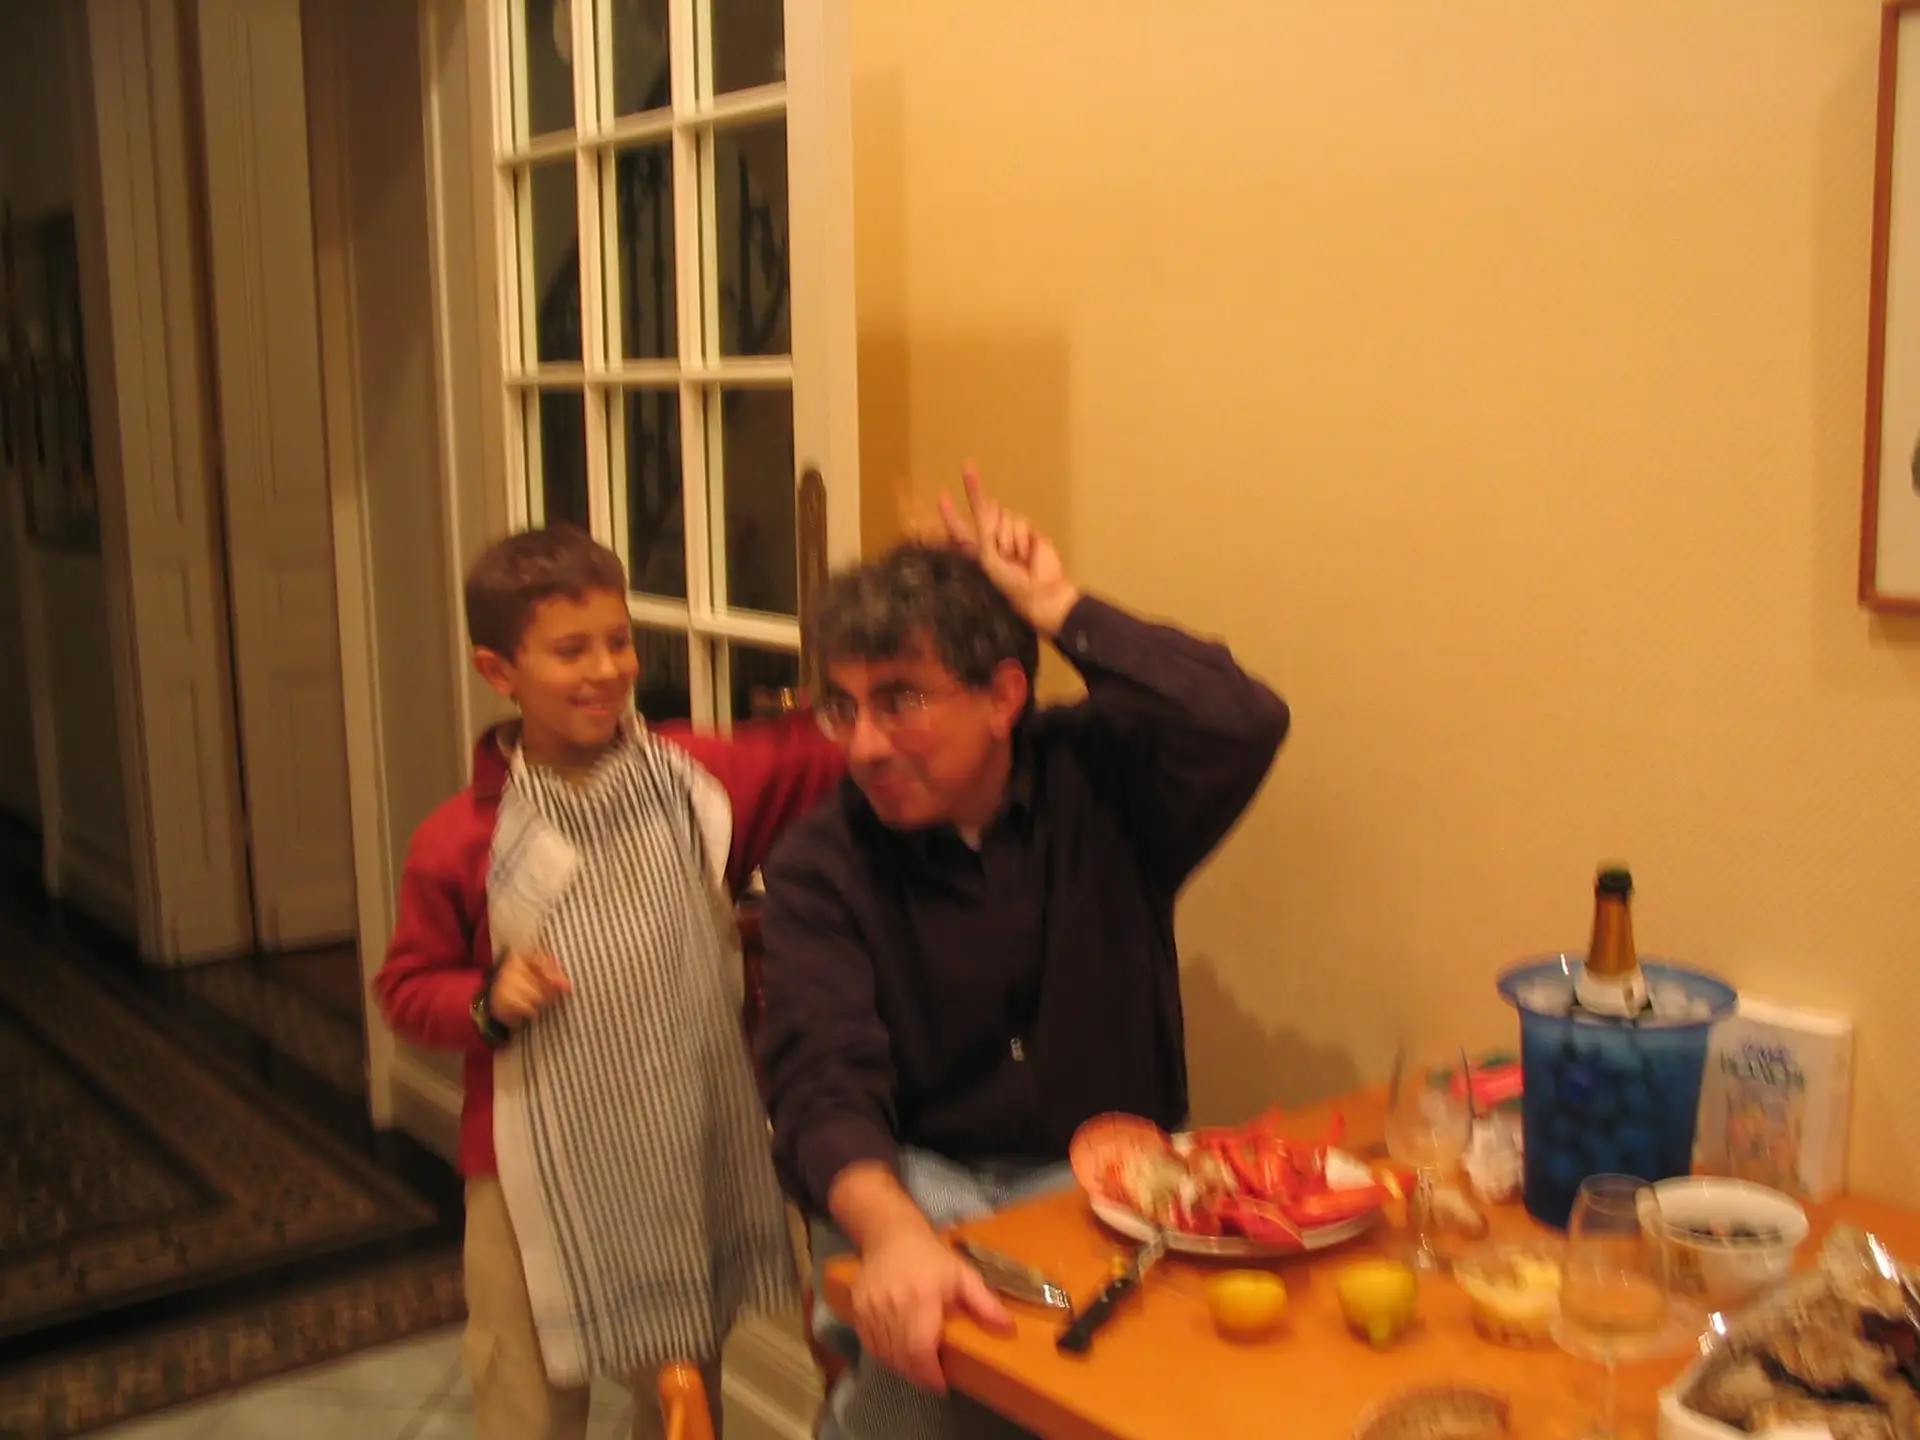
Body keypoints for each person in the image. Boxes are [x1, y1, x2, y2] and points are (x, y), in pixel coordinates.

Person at [755, 470, 1290, 1437]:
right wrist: (893, 1234)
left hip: (1107, 1178)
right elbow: (821, 1082)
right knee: (917, 1384)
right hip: (912, 1176)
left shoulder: (1105, 778)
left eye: (900, 699)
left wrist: (1057, 607)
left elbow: (1241, 720)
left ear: (1004, 696)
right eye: (842, 707)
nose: (863, 745)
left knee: (1123, 1403)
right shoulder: (819, 863)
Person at [373, 525, 842, 1440]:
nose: (606, 670)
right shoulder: (461, 839)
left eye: (619, 641)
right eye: (570, 651)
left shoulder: (696, 781)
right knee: (528, 1392)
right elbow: (405, 987)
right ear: (498, 670)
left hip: (675, 1148)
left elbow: (813, 752)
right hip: (525, 1174)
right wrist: (484, 1000)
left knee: (680, 1391)